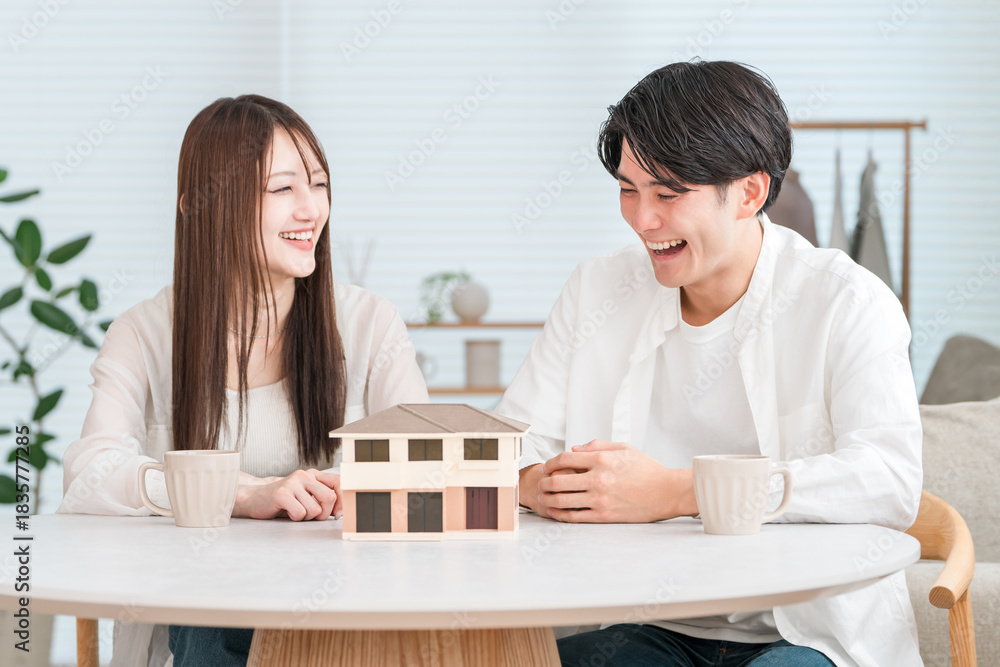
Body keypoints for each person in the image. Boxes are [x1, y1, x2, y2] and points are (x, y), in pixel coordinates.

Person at [495, 61, 923, 666]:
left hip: (802, 629)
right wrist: (537, 487)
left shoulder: (845, 300)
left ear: (749, 193)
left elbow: (887, 480)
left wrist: (679, 491)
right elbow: (508, 449)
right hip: (649, 623)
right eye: (628, 189)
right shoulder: (597, 290)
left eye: (668, 194)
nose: (642, 219)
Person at [57, 95, 429, 667]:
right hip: (197, 615)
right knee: (210, 596)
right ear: (201, 207)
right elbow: (89, 475)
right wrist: (236, 493)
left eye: (319, 185)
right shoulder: (145, 333)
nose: (311, 209)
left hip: (342, 612)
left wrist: (339, 491)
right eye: (283, 189)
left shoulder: (368, 324)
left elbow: (427, 466)